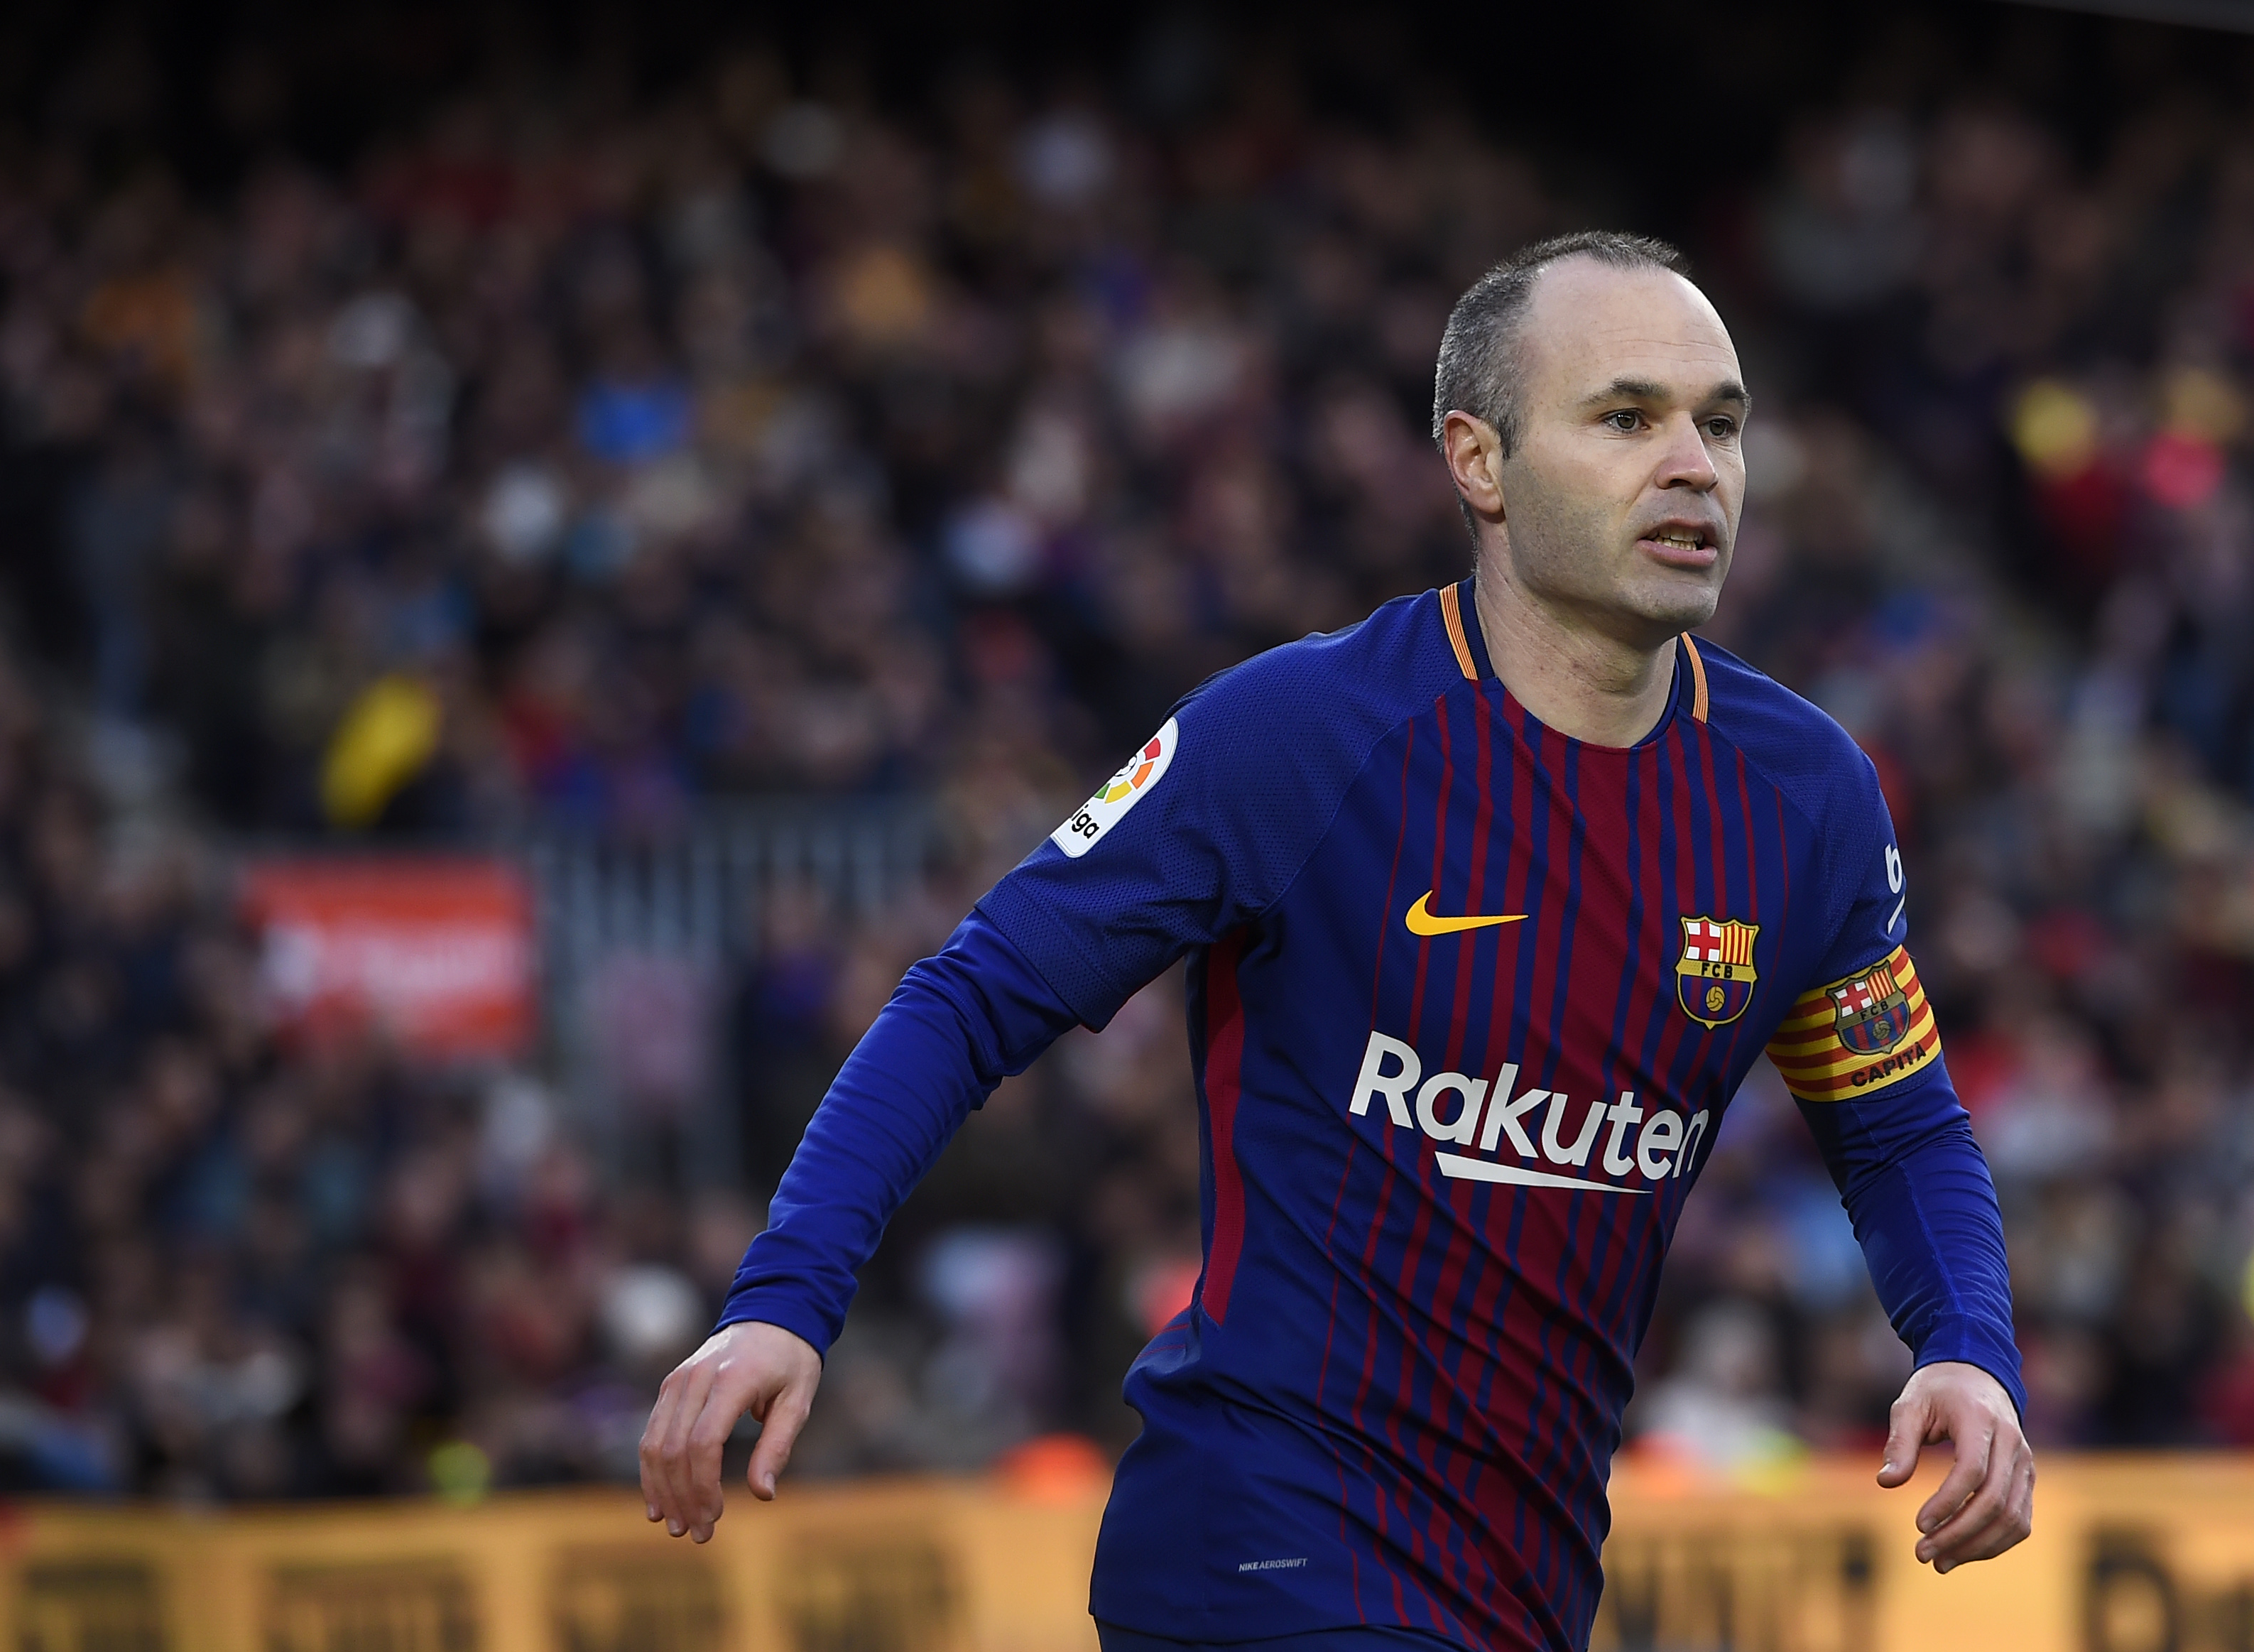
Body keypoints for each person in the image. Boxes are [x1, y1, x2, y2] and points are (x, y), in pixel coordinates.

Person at [638, 232, 2032, 1651]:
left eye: (1718, 422)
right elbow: (970, 996)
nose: (1692, 463)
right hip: (1257, 1550)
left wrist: (1968, 1350)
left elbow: (1898, 1125)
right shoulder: (1298, 738)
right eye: (1623, 418)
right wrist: (784, 1300)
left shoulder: (1801, 797)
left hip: (1520, 1585)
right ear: (1476, 463)